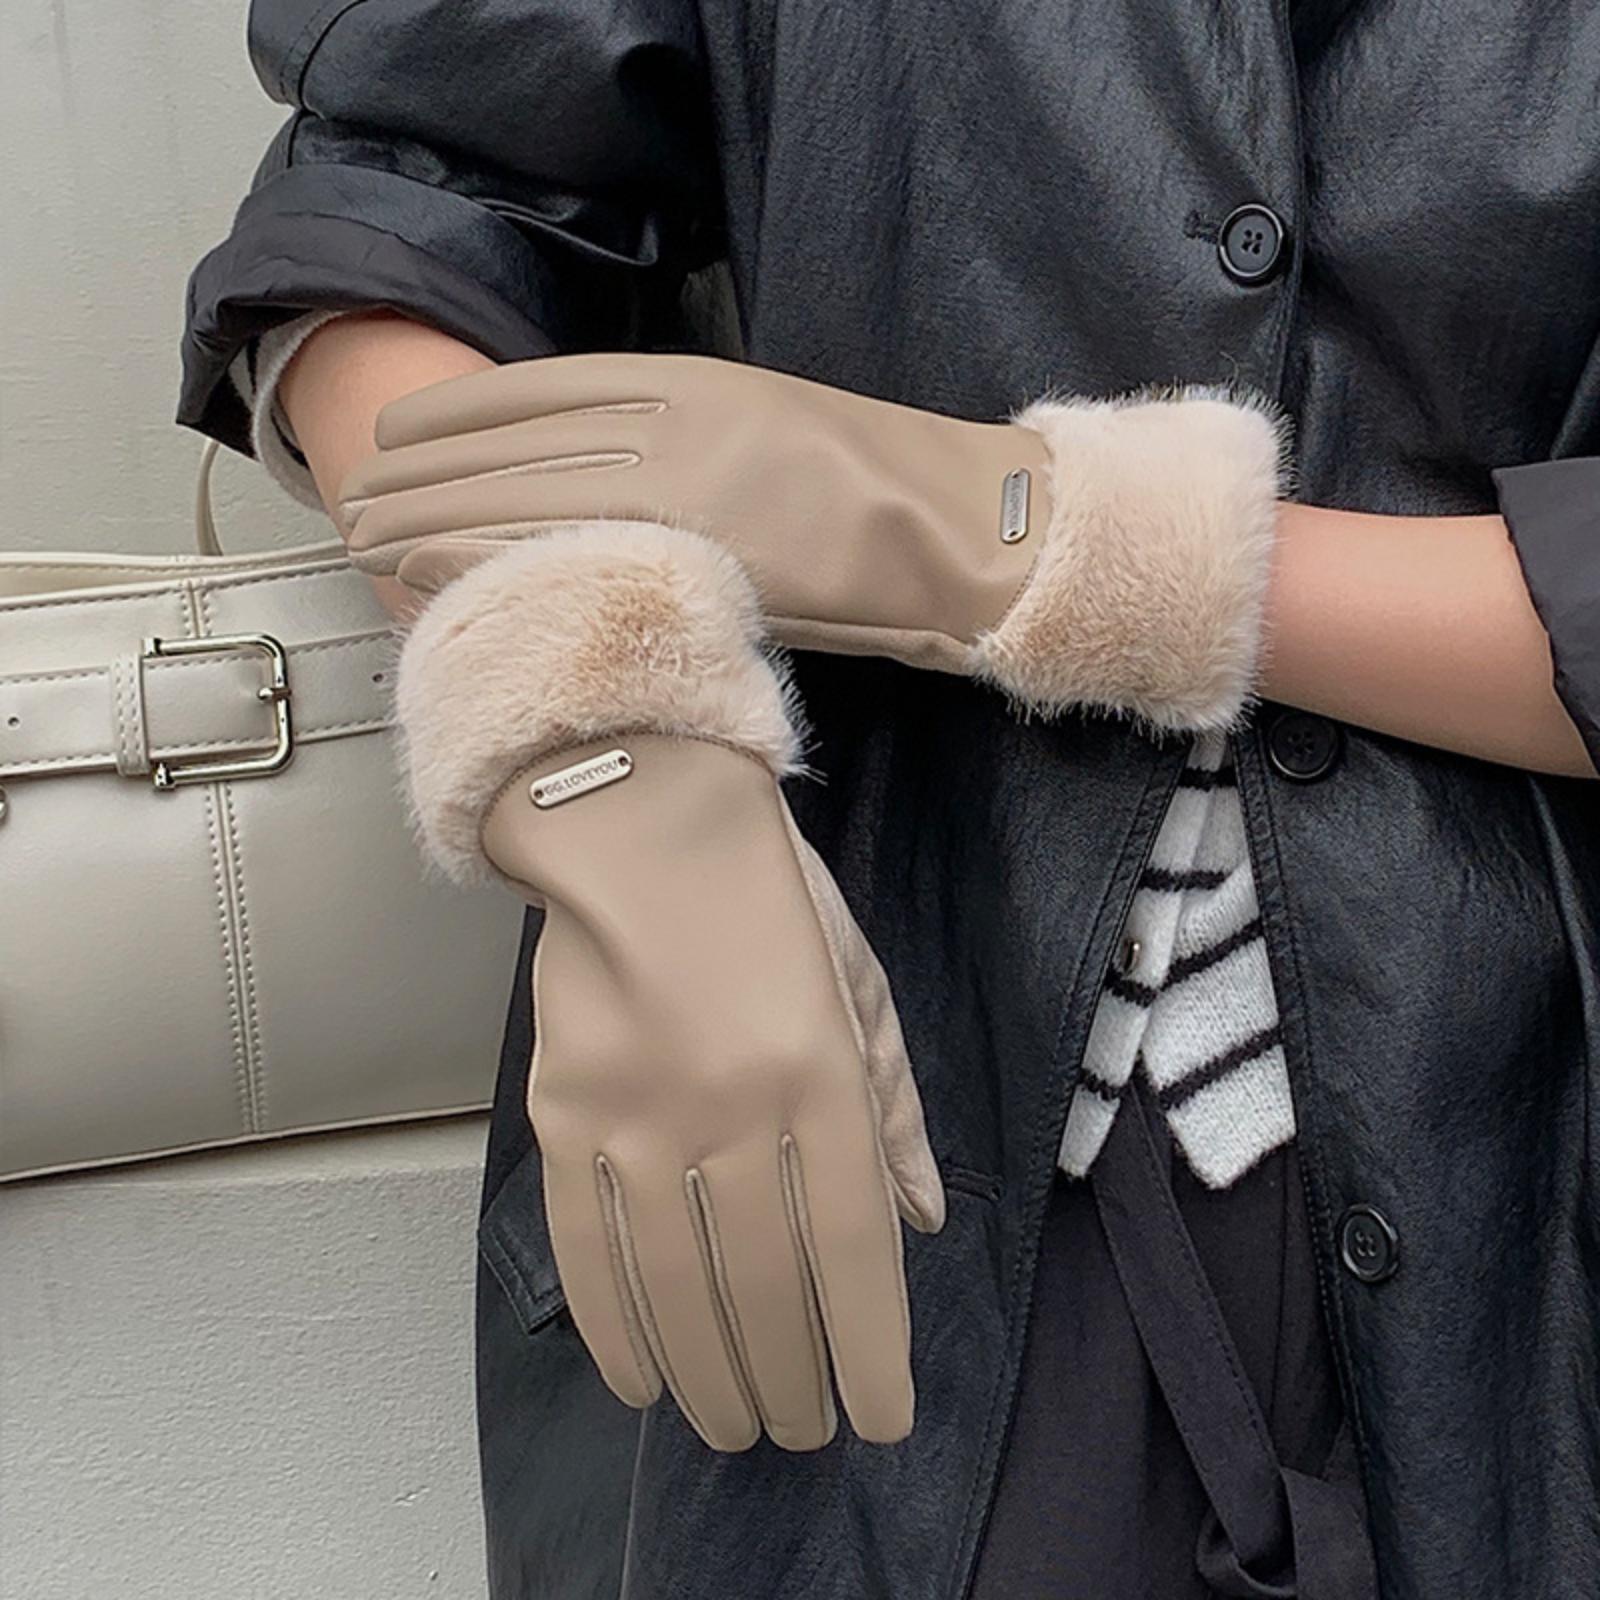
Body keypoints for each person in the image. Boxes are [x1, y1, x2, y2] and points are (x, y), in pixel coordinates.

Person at [178, 4, 1599, 1596]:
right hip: (881, 1146)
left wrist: (1005, 533)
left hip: (1535, 1181)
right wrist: (605, 730)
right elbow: (399, 212)